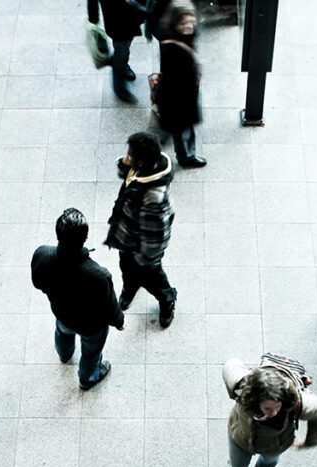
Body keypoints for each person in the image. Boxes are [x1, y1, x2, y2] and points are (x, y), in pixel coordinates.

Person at [32, 208, 125, 390]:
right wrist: (119, 321)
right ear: (85, 237)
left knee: (63, 332)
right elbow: (109, 306)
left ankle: (64, 355)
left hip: (62, 313)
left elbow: (38, 282)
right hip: (90, 326)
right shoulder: (98, 275)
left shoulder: (42, 255)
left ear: (57, 234)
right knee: (91, 351)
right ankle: (87, 378)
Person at [223, 357, 317, 467]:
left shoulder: (294, 401)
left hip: (276, 443)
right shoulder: (241, 387)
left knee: (268, 464)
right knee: (237, 464)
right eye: (268, 408)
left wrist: (311, 441)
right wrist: (237, 387)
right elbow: (230, 364)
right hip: (240, 435)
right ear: (255, 400)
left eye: (278, 406)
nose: (274, 413)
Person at [105, 132, 178, 328]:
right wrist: (125, 164)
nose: (126, 156)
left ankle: (167, 299)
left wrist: (145, 260)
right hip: (128, 236)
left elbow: (156, 236)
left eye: (130, 155)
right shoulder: (143, 169)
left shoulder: (154, 198)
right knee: (126, 267)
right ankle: (130, 286)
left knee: (152, 278)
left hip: (144, 250)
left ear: (141, 162)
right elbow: (128, 176)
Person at [153, 1, 206, 168]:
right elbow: (172, 81)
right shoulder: (172, 49)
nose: (189, 26)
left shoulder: (182, 36)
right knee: (178, 129)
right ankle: (185, 157)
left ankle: (180, 153)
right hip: (178, 100)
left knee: (173, 129)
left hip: (182, 96)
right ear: (175, 23)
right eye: (184, 23)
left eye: (191, 21)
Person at [88, 0, 145, 103]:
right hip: (116, 20)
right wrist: (93, 19)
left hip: (131, 15)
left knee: (126, 45)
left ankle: (122, 66)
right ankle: (120, 88)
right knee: (121, 50)